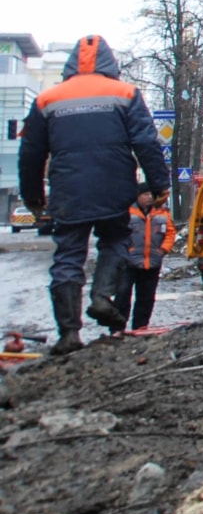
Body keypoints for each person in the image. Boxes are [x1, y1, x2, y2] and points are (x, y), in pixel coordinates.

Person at [15, 35, 169, 355]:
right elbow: (146, 142)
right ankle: (102, 296)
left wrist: (33, 198)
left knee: (68, 256)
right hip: (115, 189)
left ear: (72, 63)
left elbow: (30, 153)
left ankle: (69, 332)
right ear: (108, 63)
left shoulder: (47, 99)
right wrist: (159, 184)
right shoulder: (125, 93)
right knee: (114, 241)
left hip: (68, 192)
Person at [113, 189, 176, 332]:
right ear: (138, 196)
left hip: (152, 263)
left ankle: (140, 328)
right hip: (128, 263)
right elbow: (119, 234)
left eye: (150, 195)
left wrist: (163, 250)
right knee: (122, 295)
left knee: (146, 298)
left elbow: (170, 233)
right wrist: (127, 251)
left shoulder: (162, 213)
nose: (149, 198)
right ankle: (117, 328)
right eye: (145, 194)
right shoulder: (127, 213)